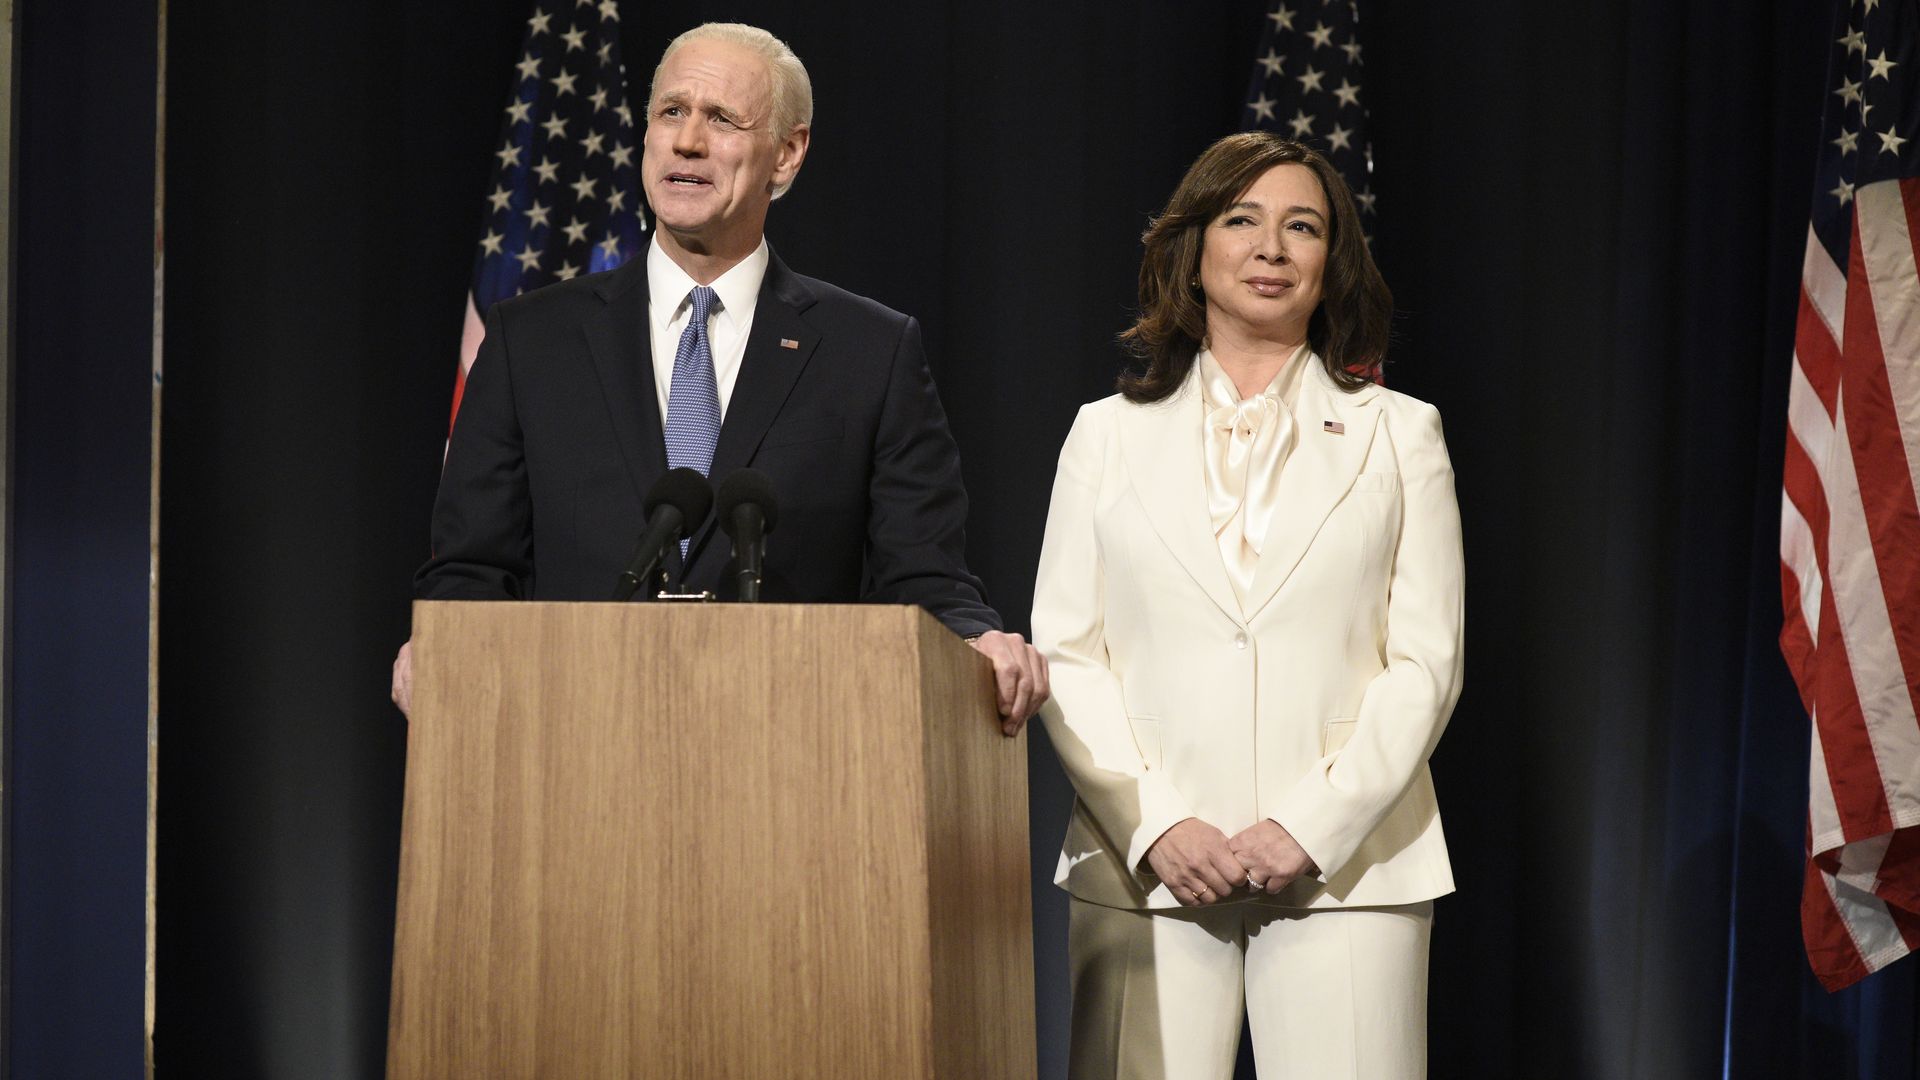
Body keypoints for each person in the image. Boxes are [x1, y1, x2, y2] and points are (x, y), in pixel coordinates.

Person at [392, 23, 1047, 731]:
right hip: (569, 743)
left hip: (789, 753)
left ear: (787, 155)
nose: (688, 141)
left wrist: (979, 638)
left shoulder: (871, 353)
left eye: (722, 120)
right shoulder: (531, 340)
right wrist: (441, 645)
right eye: (672, 111)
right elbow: (473, 569)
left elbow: (923, 576)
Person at [1032, 132, 1464, 1078]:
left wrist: (1313, 824)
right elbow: (1066, 655)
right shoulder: (1102, 436)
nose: (1271, 248)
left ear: (1330, 260)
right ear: (1194, 248)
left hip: (1350, 878)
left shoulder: (1402, 433)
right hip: (1144, 870)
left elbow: (1425, 665)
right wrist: (1156, 826)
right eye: (1243, 220)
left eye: (1301, 226)